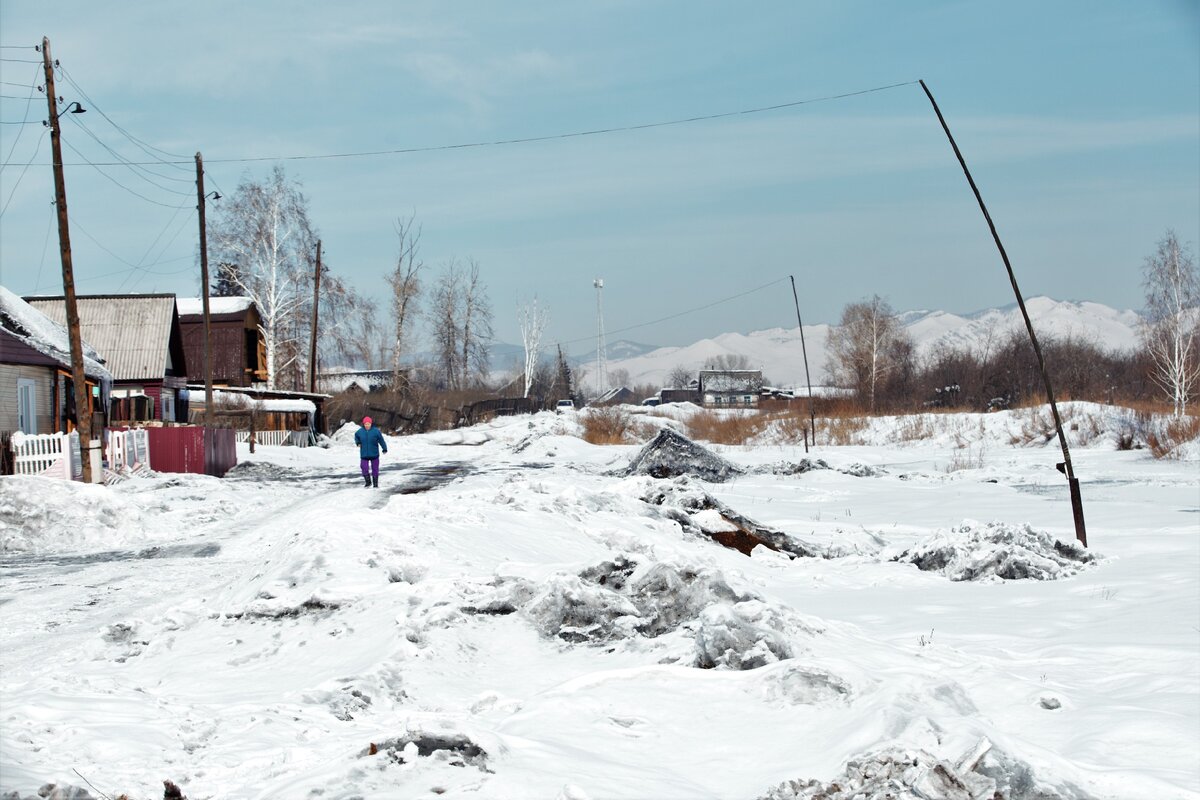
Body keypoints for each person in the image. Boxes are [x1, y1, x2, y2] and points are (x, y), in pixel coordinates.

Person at [353, 416, 388, 488]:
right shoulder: (360, 431)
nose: (367, 425)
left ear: (371, 424)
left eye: (368, 424)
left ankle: (375, 484)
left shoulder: (376, 431)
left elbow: (381, 440)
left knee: (375, 469)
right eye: (365, 424)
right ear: (363, 424)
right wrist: (358, 442)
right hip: (364, 454)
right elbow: (356, 436)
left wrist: (384, 448)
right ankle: (368, 482)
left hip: (374, 454)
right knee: (363, 467)